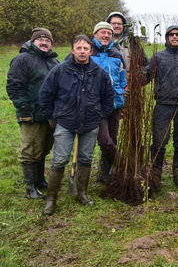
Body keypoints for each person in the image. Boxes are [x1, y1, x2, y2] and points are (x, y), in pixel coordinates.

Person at [38, 34, 114, 215]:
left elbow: (108, 97)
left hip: (90, 123)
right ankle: (51, 198)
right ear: (72, 50)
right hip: (65, 123)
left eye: (85, 48)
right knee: (60, 160)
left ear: (91, 51)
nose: (82, 51)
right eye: (78, 48)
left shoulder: (99, 73)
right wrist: (52, 116)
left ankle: (82, 193)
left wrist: (100, 115)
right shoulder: (60, 71)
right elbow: (45, 94)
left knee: (85, 159)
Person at [6, 28, 59, 199]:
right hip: (32, 114)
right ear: (33, 41)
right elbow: (14, 85)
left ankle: (39, 180)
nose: (44, 43)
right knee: (30, 151)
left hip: (50, 115)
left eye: (48, 40)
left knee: (43, 149)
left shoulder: (54, 62)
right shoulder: (22, 60)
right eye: (40, 40)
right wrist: (23, 108)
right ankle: (30, 188)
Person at [145, 25, 178, 187]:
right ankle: (156, 175)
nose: (174, 37)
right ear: (167, 37)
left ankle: (177, 174)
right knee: (159, 142)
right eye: (171, 34)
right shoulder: (157, 56)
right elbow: (146, 76)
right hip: (163, 105)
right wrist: (131, 82)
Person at [88, 22, 128, 184]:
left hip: (115, 104)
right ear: (96, 34)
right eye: (103, 32)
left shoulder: (117, 54)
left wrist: (123, 102)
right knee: (105, 141)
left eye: (109, 33)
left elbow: (122, 80)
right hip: (95, 105)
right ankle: (123, 166)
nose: (106, 35)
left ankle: (103, 175)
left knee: (113, 138)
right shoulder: (87, 51)